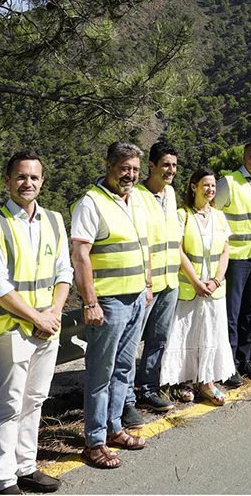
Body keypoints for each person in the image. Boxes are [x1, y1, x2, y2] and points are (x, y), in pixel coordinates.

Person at [0, 153, 73, 494]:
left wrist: (54, 312)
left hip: (48, 326)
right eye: (20, 177)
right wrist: (37, 317)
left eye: (33, 177)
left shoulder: (54, 220)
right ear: (7, 181)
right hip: (12, 329)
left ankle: (26, 466)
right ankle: (3, 478)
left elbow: (64, 271)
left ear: (42, 181)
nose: (27, 183)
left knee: (35, 399)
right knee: (10, 404)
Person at [70, 142, 151, 469]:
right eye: (124, 168)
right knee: (100, 373)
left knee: (124, 368)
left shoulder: (134, 199)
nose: (130, 175)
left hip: (136, 298)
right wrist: (90, 302)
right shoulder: (91, 203)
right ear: (108, 166)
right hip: (109, 301)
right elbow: (80, 255)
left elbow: (141, 245)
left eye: (135, 169)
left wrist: (146, 285)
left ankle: (114, 427)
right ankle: (94, 442)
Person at [160, 168, 236, 404]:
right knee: (187, 333)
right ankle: (184, 381)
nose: (210, 189)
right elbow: (178, 250)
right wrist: (195, 281)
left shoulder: (219, 216)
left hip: (214, 289)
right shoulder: (182, 215)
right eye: (205, 185)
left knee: (211, 332)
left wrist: (216, 280)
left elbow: (225, 251)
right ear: (194, 187)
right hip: (190, 288)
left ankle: (207, 382)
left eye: (213, 185)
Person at [214, 141, 251, 385]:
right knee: (232, 314)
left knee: (250, 312)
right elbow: (211, 215)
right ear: (244, 156)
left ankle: (244, 360)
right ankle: (228, 367)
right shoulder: (228, 182)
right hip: (235, 260)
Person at [132, 142, 182, 412]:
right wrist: (147, 281)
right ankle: (125, 397)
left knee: (159, 338)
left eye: (174, 165)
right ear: (151, 166)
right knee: (131, 343)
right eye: (165, 165)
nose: (170, 170)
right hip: (146, 283)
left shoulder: (170, 193)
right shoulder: (137, 196)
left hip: (170, 280)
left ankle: (147, 389)